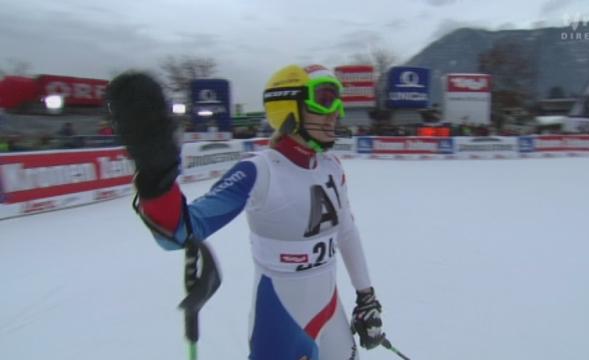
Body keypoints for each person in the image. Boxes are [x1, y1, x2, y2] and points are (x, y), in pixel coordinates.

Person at [107, 64, 386, 360]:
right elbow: (179, 232)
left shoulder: (331, 167)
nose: (336, 113)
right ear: (289, 105)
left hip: (331, 312)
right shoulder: (260, 170)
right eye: (325, 99)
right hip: (282, 319)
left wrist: (366, 296)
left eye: (337, 101)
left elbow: (345, 232)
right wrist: (156, 178)